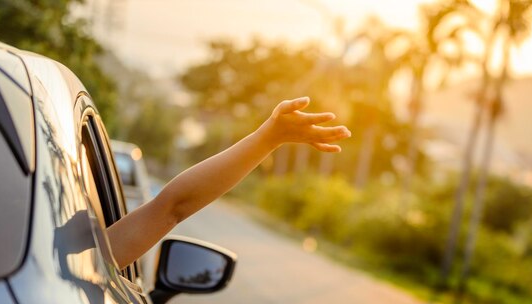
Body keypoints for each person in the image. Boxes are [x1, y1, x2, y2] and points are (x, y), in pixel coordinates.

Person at [107, 96, 351, 268]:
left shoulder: (82, 257)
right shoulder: (87, 260)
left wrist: (269, 138)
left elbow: (173, 206)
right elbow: (171, 207)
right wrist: (268, 139)